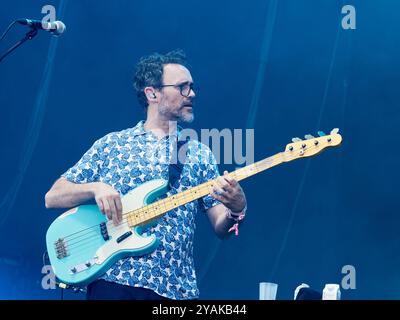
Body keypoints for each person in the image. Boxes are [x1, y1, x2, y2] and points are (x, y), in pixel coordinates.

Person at [44, 49, 247, 300]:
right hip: (114, 280)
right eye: (182, 87)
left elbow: (221, 228)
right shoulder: (113, 144)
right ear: (152, 93)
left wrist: (237, 210)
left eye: (192, 87)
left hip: (174, 289)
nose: (192, 94)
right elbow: (52, 197)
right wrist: (95, 188)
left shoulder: (200, 154)